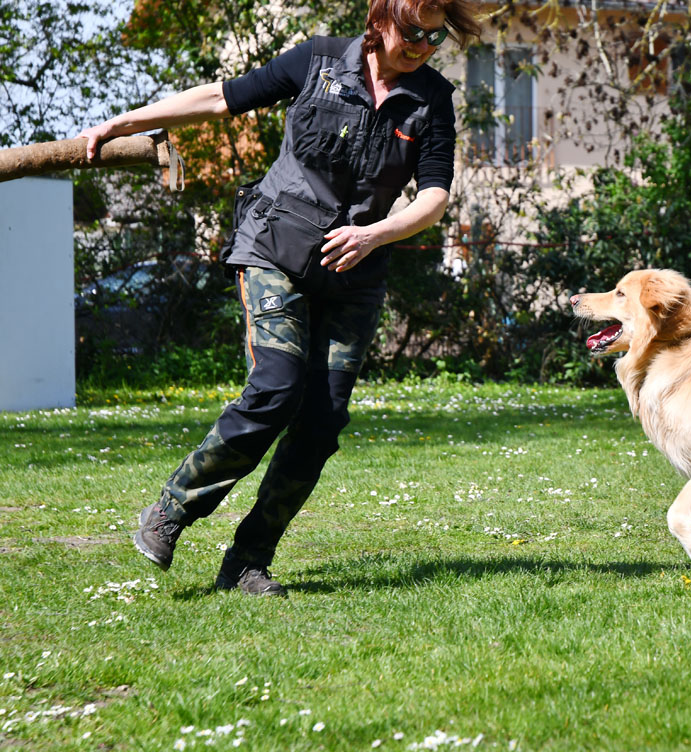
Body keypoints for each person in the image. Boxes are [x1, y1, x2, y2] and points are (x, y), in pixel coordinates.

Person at [78, 0, 481, 596]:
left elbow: (434, 197)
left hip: (353, 275)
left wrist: (375, 234)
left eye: (435, 37)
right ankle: (172, 508)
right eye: (412, 32)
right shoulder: (317, 60)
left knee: (320, 423)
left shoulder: (431, 100)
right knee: (275, 389)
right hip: (275, 251)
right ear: (381, 19)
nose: (422, 45)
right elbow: (220, 97)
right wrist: (127, 122)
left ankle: (247, 560)